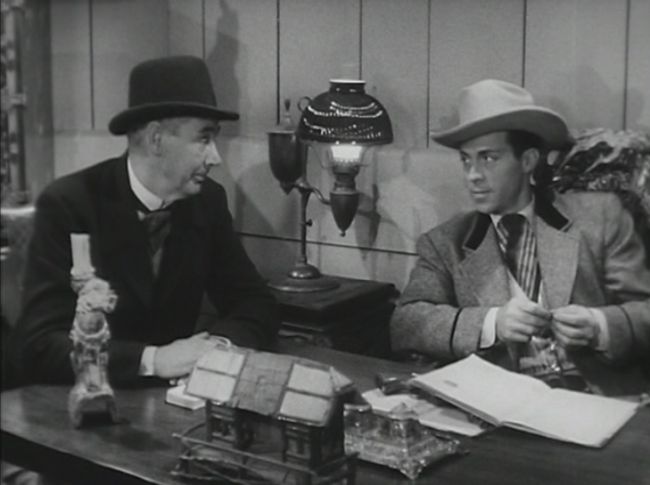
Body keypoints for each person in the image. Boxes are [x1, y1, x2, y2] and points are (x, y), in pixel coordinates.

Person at [11, 55, 279, 387]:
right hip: (83, 404)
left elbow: (255, 302)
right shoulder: (69, 204)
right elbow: (39, 346)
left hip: (172, 405)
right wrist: (153, 360)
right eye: (204, 138)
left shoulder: (207, 201)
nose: (215, 157)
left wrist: (216, 347)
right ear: (156, 139)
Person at [390, 79, 650, 395]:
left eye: (488, 158)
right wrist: (491, 323)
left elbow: (645, 311)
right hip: (499, 403)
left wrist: (600, 325)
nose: (473, 175)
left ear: (527, 161)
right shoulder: (446, 242)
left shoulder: (600, 218)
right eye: (466, 160)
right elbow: (406, 323)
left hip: (594, 399)